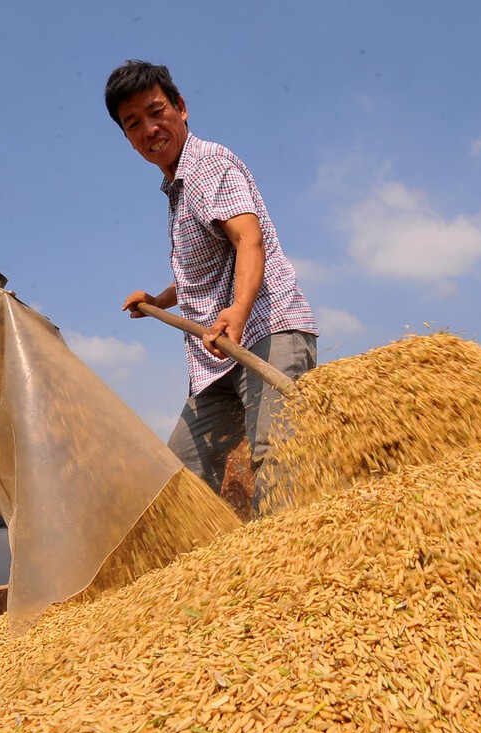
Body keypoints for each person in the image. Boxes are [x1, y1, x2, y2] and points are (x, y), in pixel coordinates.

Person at [107, 60, 318, 516]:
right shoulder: (178, 187)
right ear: (126, 137)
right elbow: (205, 267)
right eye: (133, 123)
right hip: (216, 356)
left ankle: (296, 575)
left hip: (266, 333)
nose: (150, 129)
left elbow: (248, 239)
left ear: (181, 108)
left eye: (156, 111)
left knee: (278, 462)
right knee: (181, 475)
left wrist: (239, 311)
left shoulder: (207, 165)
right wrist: (159, 300)